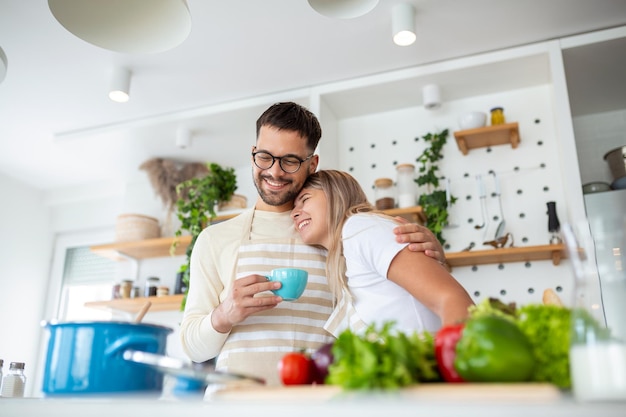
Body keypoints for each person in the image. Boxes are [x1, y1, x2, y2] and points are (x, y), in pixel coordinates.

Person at [179, 102, 447, 386]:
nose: (275, 171)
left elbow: (395, 297)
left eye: (290, 160)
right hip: (237, 406)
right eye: (265, 157)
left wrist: (430, 257)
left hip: (319, 405)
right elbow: (194, 349)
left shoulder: (334, 233)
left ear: (313, 163)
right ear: (253, 154)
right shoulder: (216, 239)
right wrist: (223, 315)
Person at [291, 170, 474, 337]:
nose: (295, 213)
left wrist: (453, 367)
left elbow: (452, 299)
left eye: (305, 199)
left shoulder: (361, 228)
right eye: (293, 208)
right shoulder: (349, 250)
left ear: (334, 195)